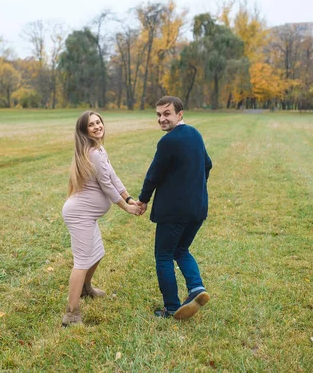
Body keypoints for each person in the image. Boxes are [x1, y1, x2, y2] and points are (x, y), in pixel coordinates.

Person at [61, 110, 141, 326]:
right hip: (79, 214)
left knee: (97, 253)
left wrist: (129, 197)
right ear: (84, 131)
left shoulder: (99, 149)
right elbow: (106, 186)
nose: (97, 126)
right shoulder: (92, 153)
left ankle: (87, 289)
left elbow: (112, 176)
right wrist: (126, 208)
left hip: (87, 215)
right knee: (82, 261)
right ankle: (71, 313)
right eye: (91, 125)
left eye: (98, 122)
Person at [136, 96, 212, 320]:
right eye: (158, 115)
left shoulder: (168, 142)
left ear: (180, 114)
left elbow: (153, 175)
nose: (161, 119)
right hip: (197, 208)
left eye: (166, 114)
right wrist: (193, 187)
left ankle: (171, 307)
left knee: (164, 256)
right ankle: (196, 288)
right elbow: (207, 165)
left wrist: (143, 200)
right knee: (181, 250)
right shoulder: (195, 134)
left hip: (174, 211)